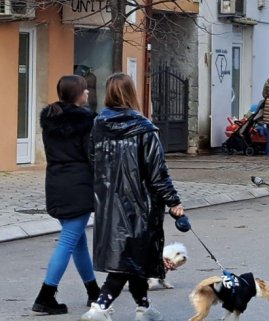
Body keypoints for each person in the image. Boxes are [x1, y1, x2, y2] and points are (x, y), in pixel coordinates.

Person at [81, 73, 184, 321]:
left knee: (133, 258)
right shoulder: (145, 129)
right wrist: (174, 201)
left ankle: (144, 308)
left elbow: (93, 162)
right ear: (132, 93)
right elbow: (157, 172)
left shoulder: (98, 126)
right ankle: (101, 306)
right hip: (140, 205)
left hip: (108, 204)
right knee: (128, 259)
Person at [32, 75, 100, 315]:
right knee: (69, 241)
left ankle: (93, 291)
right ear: (77, 94)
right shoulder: (86, 121)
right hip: (78, 185)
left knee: (77, 240)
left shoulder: (50, 118)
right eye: (85, 90)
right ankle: (45, 295)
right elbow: (91, 155)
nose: (88, 93)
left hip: (56, 183)